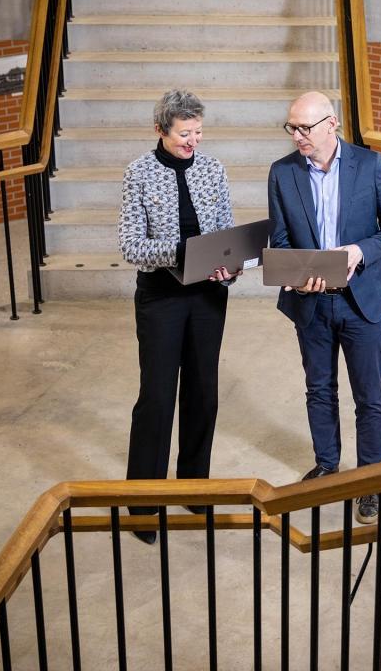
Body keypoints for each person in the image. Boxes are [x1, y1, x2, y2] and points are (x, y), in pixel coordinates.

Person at [267, 91, 381, 524]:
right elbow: (281, 241)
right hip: (310, 305)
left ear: (331, 125)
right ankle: (328, 466)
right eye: (291, 128)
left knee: (369, 396)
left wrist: (360, 251)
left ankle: (370, 483)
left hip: (361, 303)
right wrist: (297, 274)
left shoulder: (369, 165)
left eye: (304, 128)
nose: (297, 137)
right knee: (319, 389)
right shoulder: (282, 172)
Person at [118, 89, 238, 544]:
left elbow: (226, 233)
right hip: (161, 298)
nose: (193, 141)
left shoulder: (213, 169)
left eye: (198, 132)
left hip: (208, 295)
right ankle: (143, 504)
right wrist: (184, 251)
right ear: (160, 129)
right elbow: (132, 246)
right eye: (185, 134)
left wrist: (229, 265)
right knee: (157, 397)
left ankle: (193, 485)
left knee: (203, 392)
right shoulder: (138, 173)